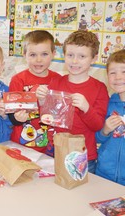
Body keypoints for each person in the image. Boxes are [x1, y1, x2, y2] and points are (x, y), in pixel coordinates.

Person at [36, 30, 109, 173]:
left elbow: (97, 126)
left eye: (82, 56)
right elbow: (47, 117)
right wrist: (42, 100)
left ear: (93, 59)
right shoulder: (56, 82)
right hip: (56, 151)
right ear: (64, 56)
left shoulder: (99, 88)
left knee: (84, 194)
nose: (74, 61)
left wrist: (86, 108)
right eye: (70, 55)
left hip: (84, 155)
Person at [9, 30, 61, 156]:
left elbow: (60, 113)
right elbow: (11, 114)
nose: (38, 60)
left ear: (53, 54)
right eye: (32, 55)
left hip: (50, 146)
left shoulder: (58, 80)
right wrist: (17, 118)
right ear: (24, 55)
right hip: (22, 144)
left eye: (44, 54)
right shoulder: (18, 80)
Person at [95, 49, 125, 185]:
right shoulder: (107, 103)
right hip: (104, 173)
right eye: (113, 73)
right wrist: (105, 130)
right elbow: (96, 137)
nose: (118, 77)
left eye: (124, 72)